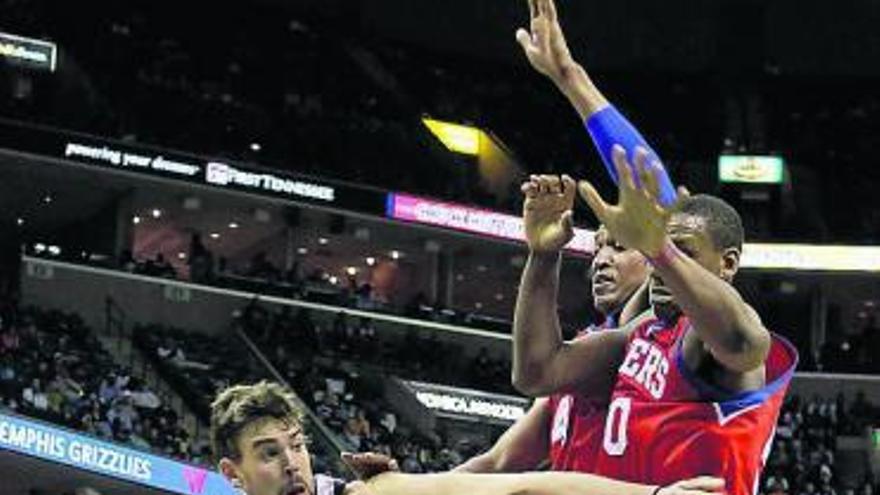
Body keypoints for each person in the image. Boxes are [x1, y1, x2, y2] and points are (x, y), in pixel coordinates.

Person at [211, 381, 725, 495]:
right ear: (231, 473)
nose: (291, 463)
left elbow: (521, 488)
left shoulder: (377, 493)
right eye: (270, 454)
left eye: (296, 445)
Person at [455, 223, 650, 473]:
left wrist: (544, 256)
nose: (600, 261)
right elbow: (498, 461)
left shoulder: (658, 339)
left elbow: (536, 371)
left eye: (620, 247)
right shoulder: (584, 344)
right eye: (596, 250)